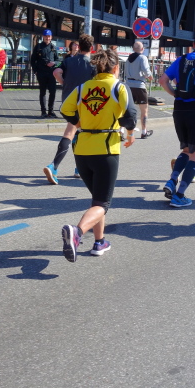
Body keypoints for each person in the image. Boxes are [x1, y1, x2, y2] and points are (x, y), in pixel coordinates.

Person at [60, 48, 137, 262]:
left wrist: (79, 123)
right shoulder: (118, 86)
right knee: (102, 204)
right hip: (105, 150)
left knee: (97, 199)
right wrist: (130, 133)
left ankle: (99, 242)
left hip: (82, 151)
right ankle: (77, 232)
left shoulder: (83, 87)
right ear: (115, 68)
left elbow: (65, 109)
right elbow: (131, 115)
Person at [159, 32, 195, 208]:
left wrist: (175, 94)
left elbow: (163, 80)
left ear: (193, 44)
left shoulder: (180, 60)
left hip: (179, 108)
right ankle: (180, 195)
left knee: (186, 149)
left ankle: (172, 180)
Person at [43, 33, 96, 184]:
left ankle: (79, 168)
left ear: (79, 46)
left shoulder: (68, 61)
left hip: (68, 101)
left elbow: (56, 72)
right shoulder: (92, 65)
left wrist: (64, 83)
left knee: (77, 134)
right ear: (91, 48)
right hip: (84, 103)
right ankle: (53, 166)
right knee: (72, 133)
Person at [124, 40, 154, 139]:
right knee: (144, 110)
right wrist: (150, 76)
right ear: (142, 49)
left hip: (128, 85)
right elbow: (146, 70)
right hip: (139, 85)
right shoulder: (142, 57)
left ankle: (121, 131)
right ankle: (144, 132)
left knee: (125, 109)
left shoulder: (128, 59)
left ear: (133, 49)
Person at [31, 29, 59, 118]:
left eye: (49, 36)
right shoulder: (38, 47)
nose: (47, 38)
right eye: (46, 36)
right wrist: (35, 71)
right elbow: (33, 60)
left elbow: (58, 60)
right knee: (42, 92)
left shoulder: (53, 47)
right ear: (43, 37)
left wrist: (54, 63)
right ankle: (43, 112)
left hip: (51, 73)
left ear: (51, 37)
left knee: (53, 92)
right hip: (41, 73)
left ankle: (51, 111)